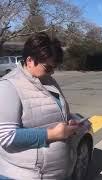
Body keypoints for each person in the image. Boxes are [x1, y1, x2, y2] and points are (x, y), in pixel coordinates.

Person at [0, 32, 81, 179]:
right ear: (30, 60)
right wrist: (52, 134)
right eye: (48, 67)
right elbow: (6, 136)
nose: (52, 72)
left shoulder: (48, 80)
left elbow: (52, 115)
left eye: (55, 67)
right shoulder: (9, 86)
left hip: (54, 173)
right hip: (25, 175)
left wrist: (69, 121)